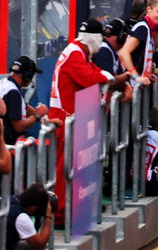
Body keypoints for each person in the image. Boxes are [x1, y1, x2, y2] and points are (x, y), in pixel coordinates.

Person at [48, 18, 130, 215]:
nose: (102, 43)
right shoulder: (76, 54)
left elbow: (95, 71)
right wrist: (109, 78)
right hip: (65, 120)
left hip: (72, 118)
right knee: (64, 167)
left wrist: (106, 76)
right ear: (95, 38)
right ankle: (61, 214)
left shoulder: (80, 51)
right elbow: (91, 78)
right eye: (100, 38)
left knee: (76, 165)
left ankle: (78, 206)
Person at [0, 56, 46, 146]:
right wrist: (37, 115)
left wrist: (44, 118)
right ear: (27, 76)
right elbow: (19, 127)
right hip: (7, 147)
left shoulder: (5, 83)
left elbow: (24, 107)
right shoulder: (13, 93)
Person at [7, 183, 54, 250]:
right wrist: (48, 216)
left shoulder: (11, 199)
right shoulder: (21, 217)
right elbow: (40, 245)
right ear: (33, 208)